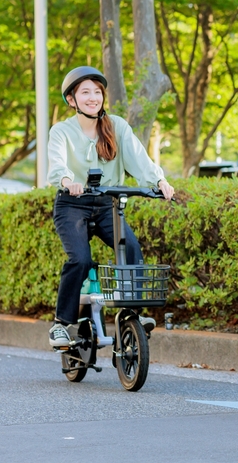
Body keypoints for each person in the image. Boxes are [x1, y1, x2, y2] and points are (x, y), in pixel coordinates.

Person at [46, 66, 175, 348]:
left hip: (107, 203)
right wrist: (68, 180)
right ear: (72, 100)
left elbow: (138, 158)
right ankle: (61, 324)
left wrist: (159, 181)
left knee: (130, 248)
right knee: (79, 259)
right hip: (72, 204)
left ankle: (133, 315)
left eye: (97, 92)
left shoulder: (116, 126)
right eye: (85, 92)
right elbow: (57, 164)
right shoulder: (61, 131)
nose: (93, 97)